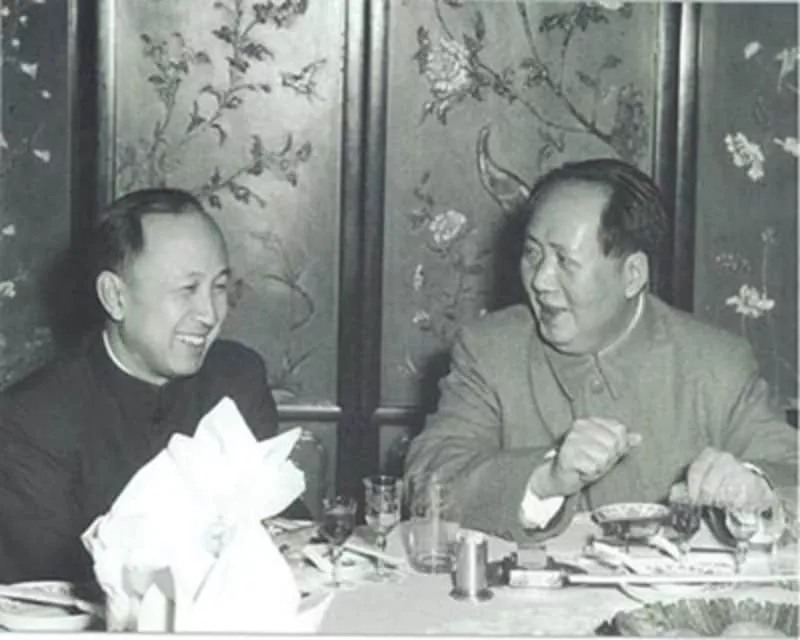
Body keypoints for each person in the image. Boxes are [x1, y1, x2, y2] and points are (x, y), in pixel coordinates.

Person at [404, 158, 798, 544]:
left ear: (632, 275)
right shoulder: (489, 350)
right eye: (533, 253)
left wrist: (757, 487)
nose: (540, 280)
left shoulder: (716, 364)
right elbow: (429, 480)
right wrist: (544, 480)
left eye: (565, 261)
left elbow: (791, 470)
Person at [0, 188, 283, 584]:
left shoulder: (237, 378)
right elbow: (48, 592)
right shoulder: (33, 421)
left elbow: (280, 528)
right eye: (187, 289)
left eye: (219, 287)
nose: (209, 313)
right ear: (115, 297)